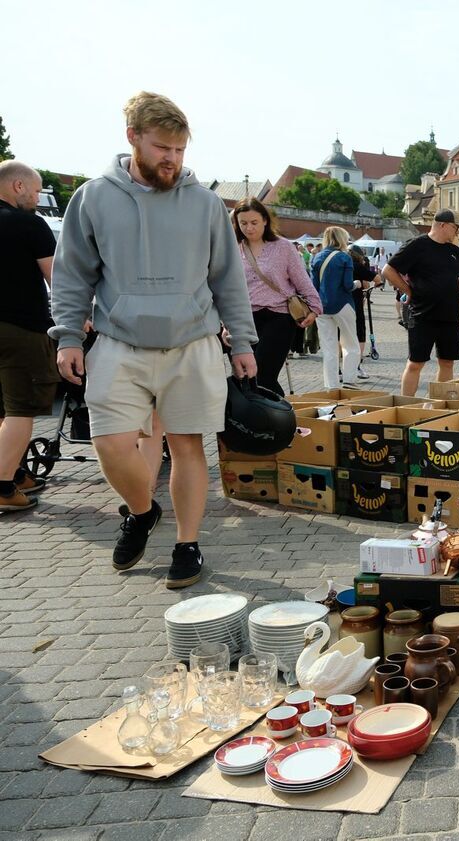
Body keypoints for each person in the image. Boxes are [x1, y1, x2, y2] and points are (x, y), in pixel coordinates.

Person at [50, 91, 258, 588]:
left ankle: (188, 545)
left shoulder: (206, 203)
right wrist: (67, 337)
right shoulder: (93, 197)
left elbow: (228, 277)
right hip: (119, 341)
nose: (172, 159)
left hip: (192, 342)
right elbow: (72, 273)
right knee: (110, 442)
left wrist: (243, 343)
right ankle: (142, 512)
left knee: (188, 446)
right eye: (163, 147)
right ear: (133, 139)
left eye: (180, 150)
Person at [0, 161, 57, 511]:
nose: (37, 198)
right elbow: (58, 278)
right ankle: (3, 488)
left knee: (1, 411)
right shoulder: (29, 224)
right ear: (17, 186)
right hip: (20, 328)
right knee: (21, 410)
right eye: (35, 191)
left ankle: (16, 470)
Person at [231, 198, 322, 395]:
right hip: (245, 319)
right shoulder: (232, 248)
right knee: (244, 376)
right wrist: (224, 323)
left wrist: (314, 308)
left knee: (263, 375)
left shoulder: (283, 247)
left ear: (265, 220)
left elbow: (302, 280)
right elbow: (226, 288)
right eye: (243, 223)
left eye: (254, 222)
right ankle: (254, 421)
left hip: (279, 317)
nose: (249, 228)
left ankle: (280, 419)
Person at [383, 209, 459, 394]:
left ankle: (436, 404)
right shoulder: (417, 245)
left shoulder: (455, 251)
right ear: (442, 225)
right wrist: (407, 290)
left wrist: (450, 290)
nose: (457, 232)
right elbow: (388, 270)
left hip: (449, 316)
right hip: (423, 314)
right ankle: (406, 406)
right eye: (455, 227)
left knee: (447, 362)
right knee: (415, 363)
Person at [310, 226, 366, 389]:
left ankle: (331, 385)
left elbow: (314, 285)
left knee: (329, 348)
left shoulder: (317, 257)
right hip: (343, 304)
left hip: (322, 306)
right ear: (342, 239)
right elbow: (348, 285)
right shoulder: (344, 257)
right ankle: (349, 379)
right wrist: (357, 284)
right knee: (350, 343)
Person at [349, 245, 380, 378]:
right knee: (360, 333)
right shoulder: (357, 266)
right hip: (355, 303)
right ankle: (356, 366)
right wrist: (376, 285)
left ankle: (339, 369)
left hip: (339, 304)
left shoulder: (340, 264)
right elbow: (376, 279)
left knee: (341, 336)